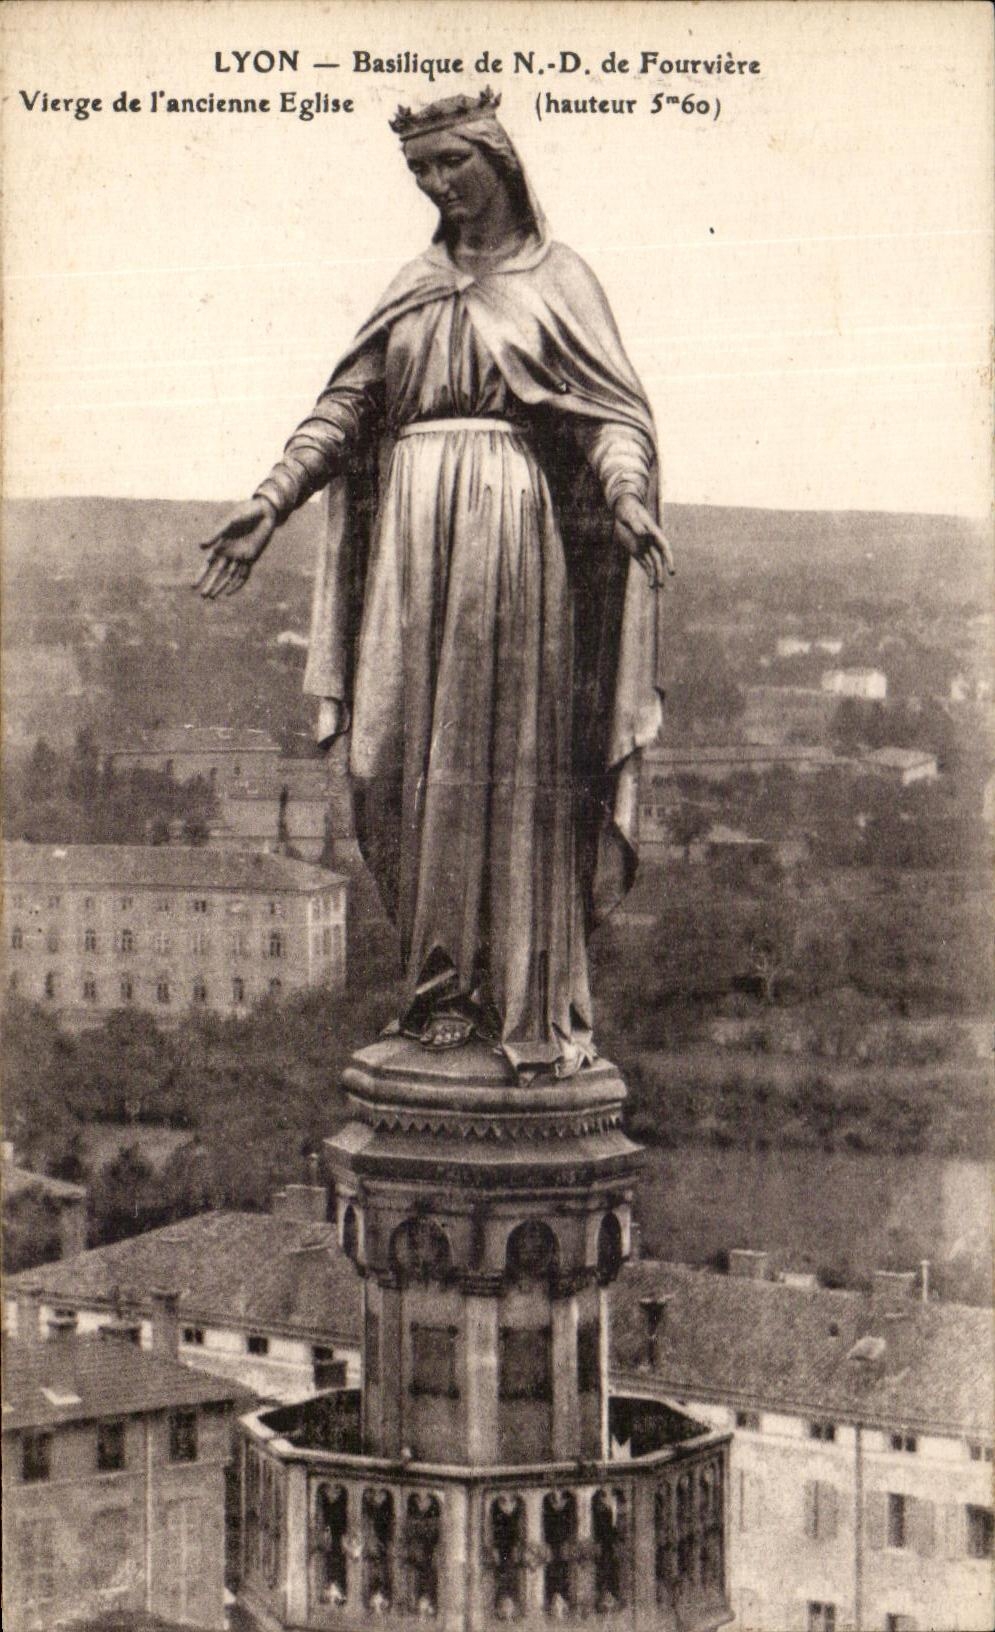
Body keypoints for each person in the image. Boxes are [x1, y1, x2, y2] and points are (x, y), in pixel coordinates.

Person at [197, 89, 673, 1078]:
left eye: (450, 164)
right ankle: (434, 981)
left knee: (509, 761)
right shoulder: (412, 286)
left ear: (496, 162)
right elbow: (345, 406)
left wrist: (625, 499)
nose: (437, 186)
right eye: (421, 173)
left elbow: (608, 418)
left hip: (509, 544)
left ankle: (514, 999)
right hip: (409, 549)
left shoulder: (560, 280)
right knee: (384, 763)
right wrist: (272, 498)